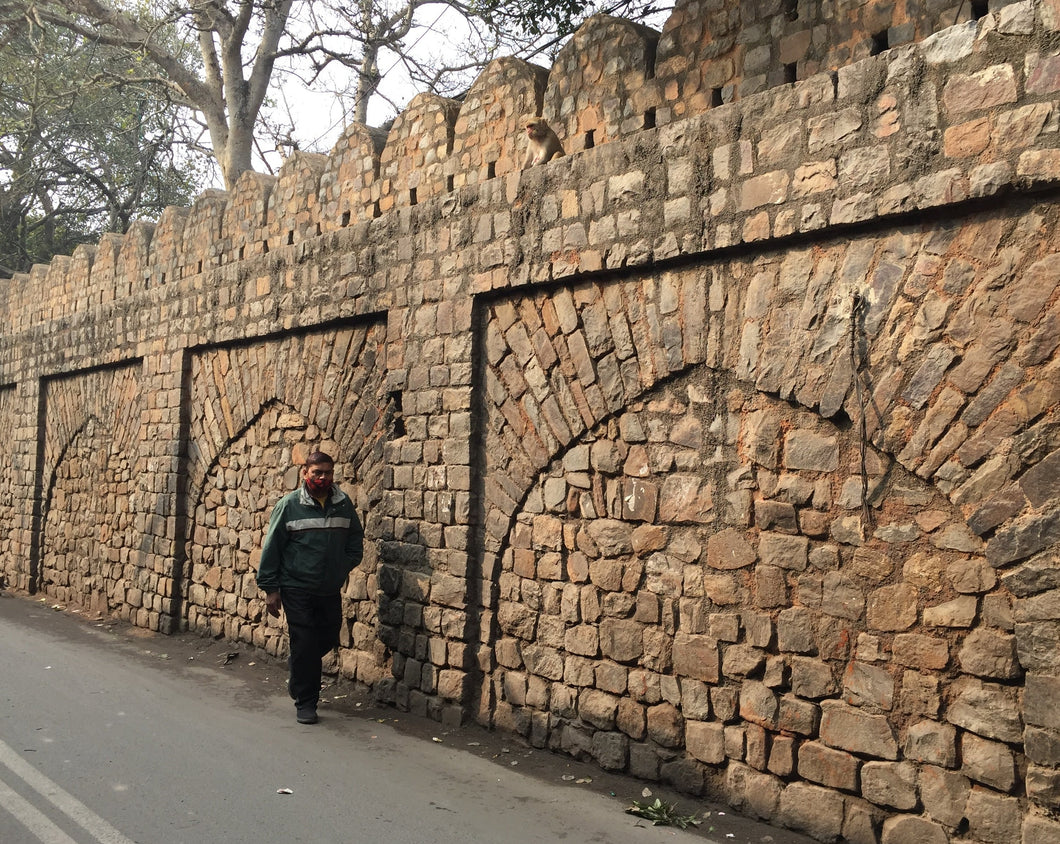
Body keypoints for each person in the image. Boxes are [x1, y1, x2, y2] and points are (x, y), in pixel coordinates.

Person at [256, 451, 363, 724]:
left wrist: (341, 566)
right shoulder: (289, 505)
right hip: (297, 587)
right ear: (306, 473)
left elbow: (354, 539)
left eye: (327, 472)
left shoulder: (342, 504)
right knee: (305, 641)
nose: (323, 477)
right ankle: (306, 702)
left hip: (328, 588)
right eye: (317, 472)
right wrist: (271, 588)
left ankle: (299, 665)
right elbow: (272, 548)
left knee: (327, 637)